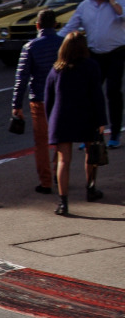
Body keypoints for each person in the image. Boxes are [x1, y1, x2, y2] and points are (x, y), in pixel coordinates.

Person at [60, 0, 125, 148]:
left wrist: (113, 3)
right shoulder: (85, 5)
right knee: (90, 94)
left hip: (116, 52)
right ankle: (90, 134)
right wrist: (52, 41)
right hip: (94, 53)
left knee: (113, 92)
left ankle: (115, 134)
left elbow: (123, 16)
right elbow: (70, 27)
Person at [45, 32, 107, 216]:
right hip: (86, 115)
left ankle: (63, 202)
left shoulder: (56, 69)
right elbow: (97, 95)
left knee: (64, 159)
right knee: (91, 152)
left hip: (62, 117)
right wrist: (101, 120)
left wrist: (51, 121)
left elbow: (49, 98)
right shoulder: (91, 66)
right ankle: (91, 189)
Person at [11, 9, 63, 194]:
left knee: (41, 143)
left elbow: (22, 78)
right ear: (55, 25)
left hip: (39, 99)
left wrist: (16, 105)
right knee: (61, 140)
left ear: (37, 26)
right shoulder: (64, 43)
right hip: (61, 98)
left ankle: (46, 182)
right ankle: (60, 175)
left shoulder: (30, 47)